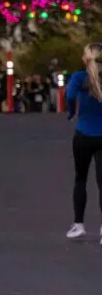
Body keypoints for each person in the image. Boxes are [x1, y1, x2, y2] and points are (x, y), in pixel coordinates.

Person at [65, 43, 102, 241]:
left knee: (81, 179)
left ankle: (79, 224)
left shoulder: (79, 77)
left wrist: (71, 113)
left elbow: (70, 96)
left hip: (84, 133)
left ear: (85, 59)